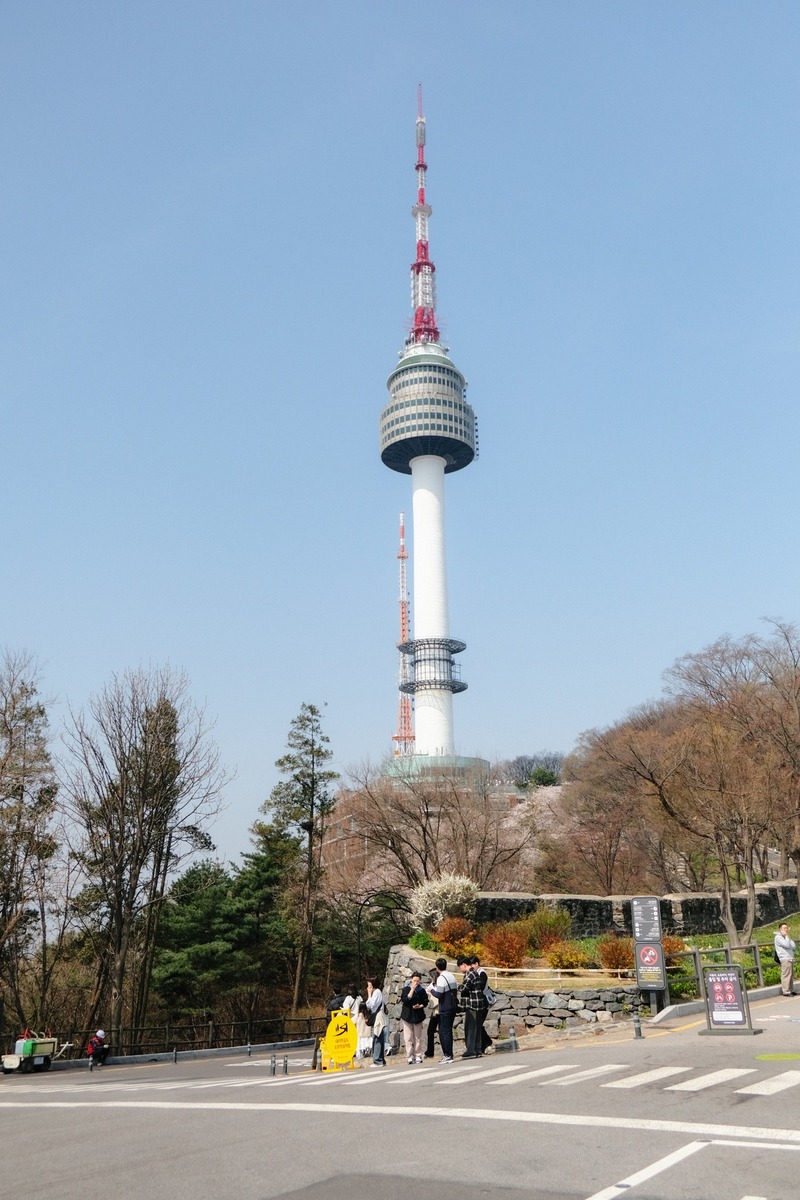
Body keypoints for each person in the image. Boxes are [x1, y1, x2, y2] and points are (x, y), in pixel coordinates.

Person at [428, 955, 458, 1063]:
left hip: (445, 1007)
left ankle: (448, 1055)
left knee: (445, 1032)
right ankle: (449, 1054)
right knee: (448, 1030)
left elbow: (439, 994)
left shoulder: (441, 978)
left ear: (437, 967)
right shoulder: (451, 976)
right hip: (453, 1006)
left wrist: (431, 990)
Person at [457, 955, 488, 1058]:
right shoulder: (475, 973)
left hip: (473, 1004)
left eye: (459, 967)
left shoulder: (470, 974)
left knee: (470, 1028)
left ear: (464, 965)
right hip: (479, 1004)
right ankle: (478, 1049)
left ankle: (471, 1050)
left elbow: (464, 988)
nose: (460, 969)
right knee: (477, 1028)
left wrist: (457, 986)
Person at [400, 971, 428, 1064]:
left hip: (418, 1015)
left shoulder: (422, 990)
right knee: (408, 1037)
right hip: (407, 1015)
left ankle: (418, 1055)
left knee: (417, 1036)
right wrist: (412, 990)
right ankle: (409, 1055)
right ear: (411, 979)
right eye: (414, 980)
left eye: (417, 981)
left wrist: (420, 1005)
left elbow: (425, 1001)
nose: (416, 982)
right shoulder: (406, 989)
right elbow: (405, 1000)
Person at [470, 954, 493, 1053]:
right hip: (479, 1000)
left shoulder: (482, 973)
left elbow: (481, 986)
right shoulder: (475, 973)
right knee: (477, 1024)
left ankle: (487, 1042)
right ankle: (484, 1044)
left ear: (476, 963)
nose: (471, 967)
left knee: (478, 1023)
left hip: (483, 1000)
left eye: (472, 965)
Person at [365, 977, 387, 1066]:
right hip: (378, 1016)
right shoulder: (377, 992)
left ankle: (378, 1060)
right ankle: (380, 1059)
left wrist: (369, 994)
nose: (367, 988)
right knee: (379, 1038)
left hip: (378, 1017)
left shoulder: (377, 992)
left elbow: (371, 1005)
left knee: (377, 1038)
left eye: (369, 985)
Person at [774, 924, 796, 997]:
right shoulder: (778, 937)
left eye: (787, 928)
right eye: (784, 928)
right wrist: (786, 937)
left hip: (790, 957)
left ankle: (791, 990)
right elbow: (786, 945)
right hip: (784, 958)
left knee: (791, 975)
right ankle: (786, 991)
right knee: (786, 975)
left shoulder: (787, 937)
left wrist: (787, 937)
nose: (786, 929)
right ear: (780, 929)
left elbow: (793, 946)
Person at [424, 969, 441, 1057]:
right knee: (430, 1030)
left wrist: (431, 992)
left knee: (442, 1031)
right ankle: (430, 1051)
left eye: (431, 976)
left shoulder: (440, 984)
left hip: (440, 1009)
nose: (430, 978)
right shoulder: (432, 985)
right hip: (435, 1010)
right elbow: (427, 991)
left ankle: (446, 1051)